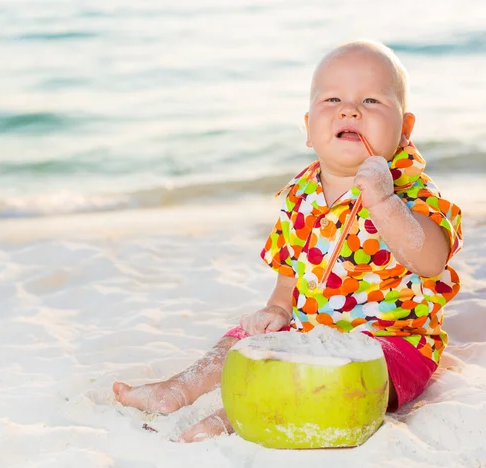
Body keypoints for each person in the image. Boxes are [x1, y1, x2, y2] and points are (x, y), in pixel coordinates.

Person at [112, 40, 463, 443]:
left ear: (404, 128)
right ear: (309, 128)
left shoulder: (412, 190)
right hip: (308, 330)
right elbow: (288, 277)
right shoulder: (300, 195)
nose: (350, 110)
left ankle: (234, 416)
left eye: (371, 100)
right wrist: (276, 310)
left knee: (340, 379)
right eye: (332, 100)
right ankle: (177, 389)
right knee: (242, 342)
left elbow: (431, 259)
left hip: (394, 342)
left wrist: (383, 202)